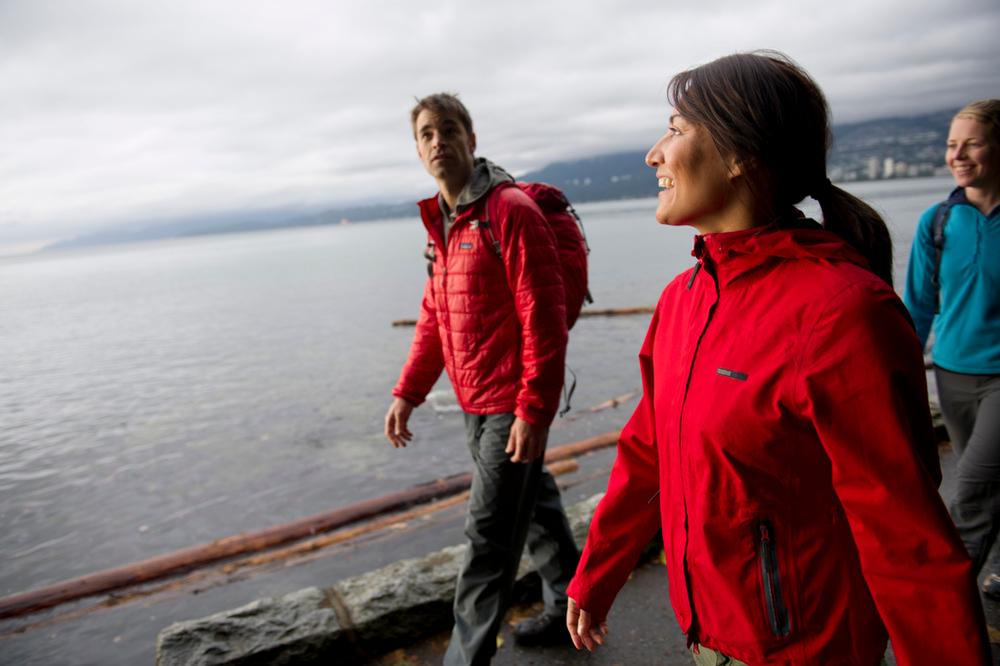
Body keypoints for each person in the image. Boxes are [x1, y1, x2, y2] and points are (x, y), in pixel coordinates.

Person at [565, 52, 991, 665]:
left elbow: (906, 540)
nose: (653, 153)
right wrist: (597, 570)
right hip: (708, 634)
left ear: (741, 155)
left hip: (807, 647)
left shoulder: (843, 312)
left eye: (677, 129)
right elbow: (648, 450)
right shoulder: (682, 300)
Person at [384, 92, 580, 665]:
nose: (437, 141)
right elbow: (434, 319)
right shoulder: (442, 225)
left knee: (486, 544)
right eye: (425, 133)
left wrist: (533, 411)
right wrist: (407, 392)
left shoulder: (509, 210)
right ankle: (573, 606)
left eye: (449, 130)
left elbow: (543, 318)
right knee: (537, 508)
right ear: (418, 150)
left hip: (511, 403)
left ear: (472, 139)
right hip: (475, 401)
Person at [904, 99, 1000, 595]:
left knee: (970, 493)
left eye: (973, 143)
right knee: (982, 478)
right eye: (950, 145)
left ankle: (943, 601)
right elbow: (918, 305)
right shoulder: (937, 223)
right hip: (952, 373)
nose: (958, 155)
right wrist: (898, 373)